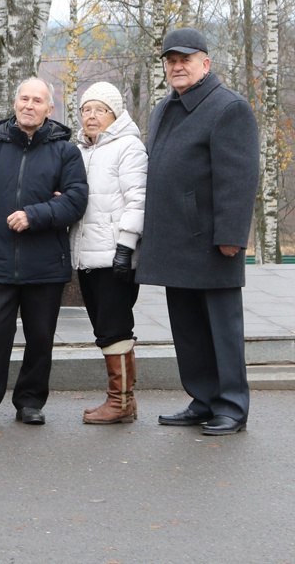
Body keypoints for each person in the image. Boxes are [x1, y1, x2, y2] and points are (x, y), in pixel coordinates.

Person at [138, 28, 259, 436]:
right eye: (171, 60)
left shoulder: (229, 108)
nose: (177, 66)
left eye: (185, 59)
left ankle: (231, 406)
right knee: (188, 329)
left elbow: (238, 180)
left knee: (223, 330)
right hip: (174, 241)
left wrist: (231, 236)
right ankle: (203, 399)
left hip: (211, 242)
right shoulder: (163, 109)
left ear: (205, 63)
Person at [0, 77, 88, 426]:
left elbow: (76, 201)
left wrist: (35, 215)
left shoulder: (65, 151)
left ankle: (29, 402)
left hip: (46, 263)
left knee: (40, 338)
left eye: (37, 100)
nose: (29, 105)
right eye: (24, 99)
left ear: (49, 109)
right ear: (14, 104)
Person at [71, 81, 147, 425]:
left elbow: (138, 198)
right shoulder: (81, 150)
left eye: (100, 109)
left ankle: (119, 401)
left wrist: (125, 246)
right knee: (106, 327)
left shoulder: (128, 147)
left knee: (114, 327)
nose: (91, 116)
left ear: (114, 115)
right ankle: (124, 401)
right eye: (86, 109)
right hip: (88, 256)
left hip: (114, 255)